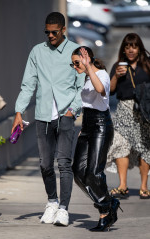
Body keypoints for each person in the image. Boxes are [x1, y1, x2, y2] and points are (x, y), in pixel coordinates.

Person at [11, 12, 84, 227]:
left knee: (64, 163)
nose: (50, 35)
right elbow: (28, 85)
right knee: (44, 164)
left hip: (66, 116)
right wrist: (18, 111)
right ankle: (52, 202)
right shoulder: (37, 52)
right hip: (43, 116)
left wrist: (73, 109)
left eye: (54, 32)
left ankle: (63, 209)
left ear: (63, 30)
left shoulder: (75, 52)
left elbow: (81, 85)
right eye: (47, 32)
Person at [71, 46, 121, 232]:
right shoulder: (85, 77)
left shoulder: (101, 75)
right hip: (87, 127)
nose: (74, 66)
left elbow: (100, 90)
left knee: (93, 172)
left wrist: (89, 66)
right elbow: (86, 105)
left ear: (87, 60)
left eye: (77, 63)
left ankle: (104, 213)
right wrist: (82, 129)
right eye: (73, 63)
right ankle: (108, 202)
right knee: (77, 172)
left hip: (101, 126)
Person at [107, 33, 150, 199]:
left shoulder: (147, 64)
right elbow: (111, 90)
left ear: (139, 48)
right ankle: (123, 185)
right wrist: (116, 76)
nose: (131, 50)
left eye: (134, 46)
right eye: (127, 46)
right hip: (124, 108)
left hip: (144, 111)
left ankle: (144, 187)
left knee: (144, 147)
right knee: (120, 144)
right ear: (123, 49)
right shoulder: (118, 65)